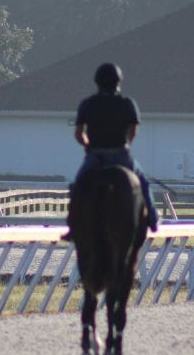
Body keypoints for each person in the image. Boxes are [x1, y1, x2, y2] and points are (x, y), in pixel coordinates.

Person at [62, 63, 158, 241]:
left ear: (97, 83)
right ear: (118, 82)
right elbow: (133, 130)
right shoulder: (127, 103)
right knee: (143, 183)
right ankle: (152, 220)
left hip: (95, 155)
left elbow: (79, 133)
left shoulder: (87, 104)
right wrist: (126, 144)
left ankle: (73, 226)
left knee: (78, 186)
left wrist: (87, 145)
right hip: (121, 154)